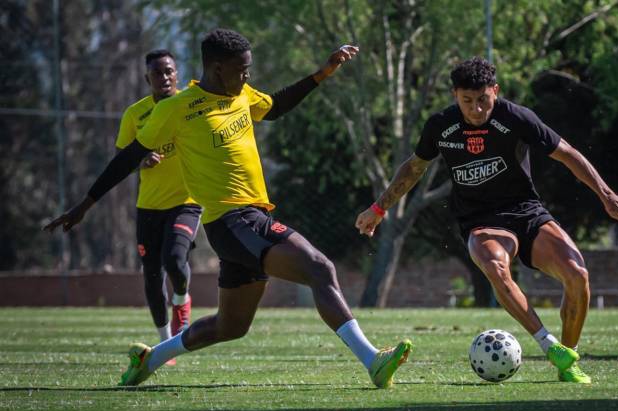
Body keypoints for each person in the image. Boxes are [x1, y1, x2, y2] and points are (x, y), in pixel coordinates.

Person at [45, 29, 411, 389]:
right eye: (242, 68)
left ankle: (149, 359)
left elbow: (277, 106)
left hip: (249, 221)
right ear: (217, 68)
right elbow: (129, 158)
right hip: (235, 221)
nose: (247, 75)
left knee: (230, 326)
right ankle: (372, 360)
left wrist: (322, 73)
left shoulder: (241, 94)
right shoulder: (177, 109)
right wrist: (85, 204)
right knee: (319, 268)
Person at [355, 57, 618, 384]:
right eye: (467, 101)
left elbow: (568, 154)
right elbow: (414, 168)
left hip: (526, 211)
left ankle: (568, 357)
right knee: (495, 265)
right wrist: (378, 208)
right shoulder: (441, 126)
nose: (476, 109)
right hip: (480, 219)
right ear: (454, 96)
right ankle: (549, 345)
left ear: (495, 91)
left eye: (483, 100)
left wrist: (606, 196)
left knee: (578, 275)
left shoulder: (516, 117)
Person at [116, 50, 202, 361]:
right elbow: (122, 160)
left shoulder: (189, 106)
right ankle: (166, 345)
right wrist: (141, 160)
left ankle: (182, 299)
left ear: (177, 74)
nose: (164, 77)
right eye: (157, 73)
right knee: (152, 275)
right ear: (147, 78)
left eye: (169, 71)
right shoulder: (134, 115)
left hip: (186, 202)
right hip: (148, 207)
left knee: (176, 260)